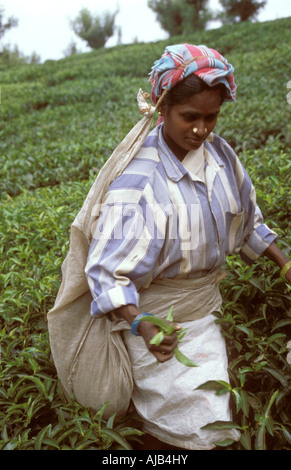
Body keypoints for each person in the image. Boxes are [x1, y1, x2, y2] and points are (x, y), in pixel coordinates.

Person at [50, 44, 291, 451]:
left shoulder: (219, 155)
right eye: (189, 117)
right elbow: (106, 272)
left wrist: (285, 265)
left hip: (204, 309)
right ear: (163, 110)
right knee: (205, 430)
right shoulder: (139, 184)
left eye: (210, 117)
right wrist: (141, 324)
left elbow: (248, 221)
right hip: (158, 323)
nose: (201, 129)